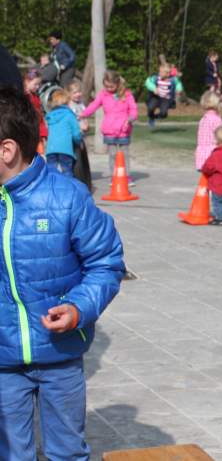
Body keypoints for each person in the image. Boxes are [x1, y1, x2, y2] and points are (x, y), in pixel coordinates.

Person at [0, 86, 124, 461]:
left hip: (60, 359)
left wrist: (77, 308)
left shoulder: (68, 197)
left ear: (7, 150)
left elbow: (106, 263)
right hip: (3, 365)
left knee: (66, 452)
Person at [80, 71, 138, 182]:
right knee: (112, 154)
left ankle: (126, 176)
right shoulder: (103, 94)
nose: (108, 88)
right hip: (109, 130)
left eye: (111, 86)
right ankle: (114, 176)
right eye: (106, 86)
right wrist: (83, 114)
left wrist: (130, 119)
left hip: (124, 130)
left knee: (124, 154)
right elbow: (94, 105)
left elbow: (133, 109)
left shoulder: (127, 94)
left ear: (117, 83)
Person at [44, 89, 81, 177]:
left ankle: (53, 189)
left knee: (52, 173)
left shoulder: (50, 116)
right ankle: (67, 189)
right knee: (67, 171)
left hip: (51, 150)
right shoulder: (69, 115)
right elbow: (76, 133)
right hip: (65, 149)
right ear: (67, 102)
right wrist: (79, 141)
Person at [67, 81, 93, 190]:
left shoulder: (81, 104)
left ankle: (85, 180)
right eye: (75, 93)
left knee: (83, 159)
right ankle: (77, 180)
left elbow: (84, 116)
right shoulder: (69, 106)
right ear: (69, 94)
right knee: (77, 161)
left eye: (79, 92)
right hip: (74, 137)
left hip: (82, 135)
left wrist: (86, 124)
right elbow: (73, 120)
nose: (78, 94)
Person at [144, 64, 184, 128]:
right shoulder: (156, 78)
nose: (159, 73)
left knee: (163, 114)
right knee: (151, 107)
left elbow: (178, 84)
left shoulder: (173, 80)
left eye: (161, 72)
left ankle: (154, 117)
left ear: (167, 74)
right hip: (156, 97)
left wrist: (179, 89)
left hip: (166, 99)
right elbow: (147, 82)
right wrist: (154, 88)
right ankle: (150, 117)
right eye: (159, 72)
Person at [195, 91, 222, 171]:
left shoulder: (203, 119)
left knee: (207, 179)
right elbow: (221, 137)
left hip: (201, 154)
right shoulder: (216, 119)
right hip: (212, 154)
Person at [23, 69, 48, 151]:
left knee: (40, 155)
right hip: (27, 131)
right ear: (27, 82)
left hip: (37, 131)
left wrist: (44, 134)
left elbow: (39, 116)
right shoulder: (22, 96)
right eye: (35, 84)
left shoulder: (35, 97)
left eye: (39, 84)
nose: (38, 87)